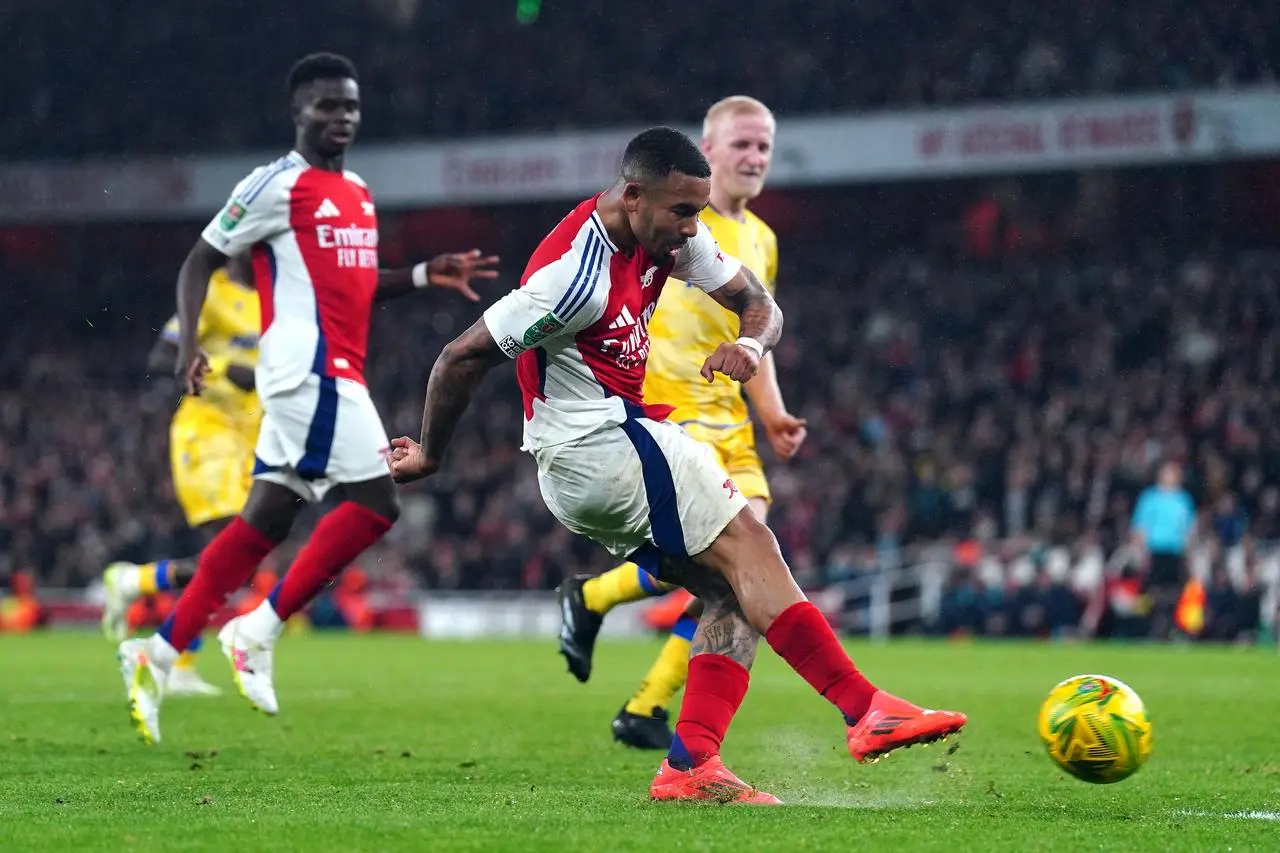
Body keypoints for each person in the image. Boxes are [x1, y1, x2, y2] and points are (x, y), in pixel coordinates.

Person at [388, 126, 967, 804]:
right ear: (634, 195)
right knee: (751, 541)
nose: (693, 227)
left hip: (609, 448)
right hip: (598, 446)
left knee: (732, 590)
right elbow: (460, 354)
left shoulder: (669, 236)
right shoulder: (574, 276)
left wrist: (750, 349)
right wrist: (431, 452)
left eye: (698, 211)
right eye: (682, 211)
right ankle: (866, 707)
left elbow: (759, 304)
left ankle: (690, 763)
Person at [116, 52, 499, 745]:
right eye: (327, 105)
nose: (341, 116)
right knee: (378, 500)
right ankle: (257, 631)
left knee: (262, 521)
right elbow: (200, 257)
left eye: (350, 105)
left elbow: (355, 284)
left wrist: (420, 272)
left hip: (331, 370)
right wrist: (186, 348)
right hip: (309, 370)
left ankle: (159, 648)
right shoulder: (274, 184)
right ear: (298, 112)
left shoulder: (357, 191)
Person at [554, 96, 807, 750]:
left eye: (764, 148)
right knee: (734, 559)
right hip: (669, 406)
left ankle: (603, 617)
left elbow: (754, 328)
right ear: (709, 148)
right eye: (741, 145)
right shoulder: (673, 224)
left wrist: (773, 412)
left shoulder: (763, 239)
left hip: (730, 418)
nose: (753, 158)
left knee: (739, 566)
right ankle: (652, 704)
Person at [101, 254, 259, 698]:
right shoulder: (210, 295)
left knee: (238, 565)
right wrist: (228, 369)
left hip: (254, 437)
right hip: (207, 431)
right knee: (229, 548)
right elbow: (162, 355)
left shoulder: (279, 300)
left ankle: (137, 583)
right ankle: (174, 661)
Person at [1130, 460, 1197, 640]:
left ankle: (1169, 627)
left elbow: (1189, 529)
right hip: (1155, 551)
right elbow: (1140, 527)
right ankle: (1141, 627)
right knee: (1149, 591)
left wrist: (1188, 553)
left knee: (1174, 591)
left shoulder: (1183, 499)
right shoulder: (1150, 498)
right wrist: (1142, 552)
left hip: (1175, 552)